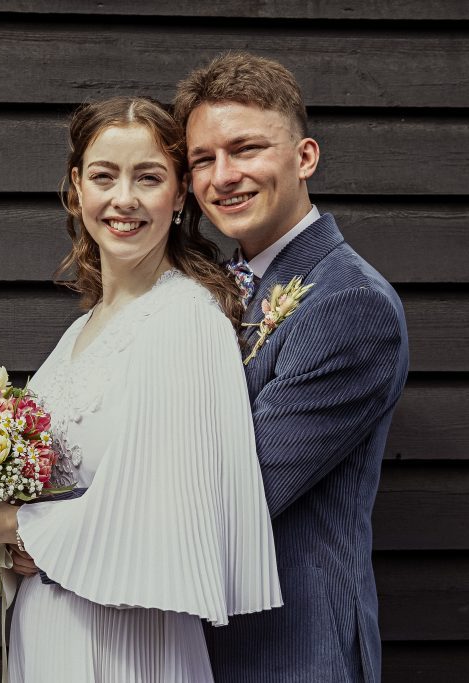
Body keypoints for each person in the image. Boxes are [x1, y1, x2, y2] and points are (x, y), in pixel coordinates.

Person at [0, 96, 281, 682]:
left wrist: (6, 525)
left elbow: (174, 516)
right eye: (104, 176)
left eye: (149, 178)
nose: (124, 200)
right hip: (49, 626)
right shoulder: (77, 334)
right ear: (76, 188)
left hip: (127, 644)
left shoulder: (187, 319)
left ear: (181, 193)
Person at [174, 52, 410, 682]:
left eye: (246, 148)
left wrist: (39, 534)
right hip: (191, 641)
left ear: (305, 157)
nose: (223, 176)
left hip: (290, 651)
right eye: (202, 159)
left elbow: (238, 497)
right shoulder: (209, 290)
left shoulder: (347, 303)